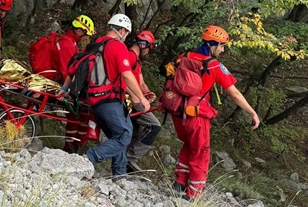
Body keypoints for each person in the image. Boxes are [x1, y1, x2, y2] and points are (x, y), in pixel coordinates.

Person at [171, 25, 260, 200]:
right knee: (201, 152)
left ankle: (179, 184)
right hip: (197, 116)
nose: (223, 49)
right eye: (221, 46)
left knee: (189, 146)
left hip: (178, 112)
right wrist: (252, 112)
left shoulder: (183, 57)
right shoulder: (214, 66)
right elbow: (234, 93)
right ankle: (193, 195)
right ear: (213, 45)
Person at [58, 14, 150, 176]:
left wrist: (65, 89)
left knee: (120, 134)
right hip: (109, 99)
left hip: (95, 100)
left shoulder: (93, 44)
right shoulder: (117, 46)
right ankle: (88, 159)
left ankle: (119, 174)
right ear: (122, 30)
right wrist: (141, 97)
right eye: (127, 33)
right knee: (124, 136)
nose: (126, 36)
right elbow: (127, 74)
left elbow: (73, 67)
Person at [56, 15, 96, 152]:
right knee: (77, 115)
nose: (87, 38)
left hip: (66, 84)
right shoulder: (66, 44)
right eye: (86, 35)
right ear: (79, 31)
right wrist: (69, 90)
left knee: (81, 115)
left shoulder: (71, 43)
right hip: (61, 83)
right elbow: (65, 70)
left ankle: (77, 147)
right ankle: (71, 148)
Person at [125, 30, 162, 172]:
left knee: (136, 128)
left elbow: (140, 82)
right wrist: (137, 97)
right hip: (131, 100)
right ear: (143, 45)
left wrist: (147, 93)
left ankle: (126, 160)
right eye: (149, 48)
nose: (148, 52)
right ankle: (131, 158)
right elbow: (123, 78)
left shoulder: (136, 59)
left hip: (137, 99)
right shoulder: (130, 57)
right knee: (154, 126)